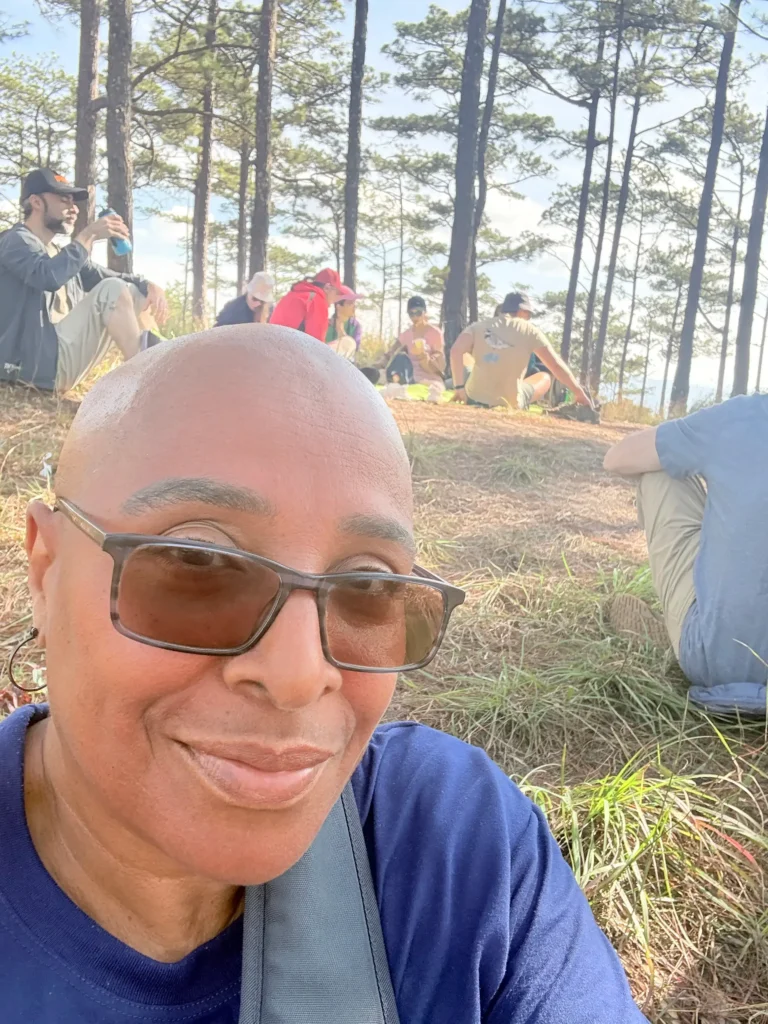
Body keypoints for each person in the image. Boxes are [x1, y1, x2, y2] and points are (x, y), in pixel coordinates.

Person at [0, 326, 647, 1022]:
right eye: (198, 562)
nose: (299, 677)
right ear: (46, 570)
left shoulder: (455, 846)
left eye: (368, 586)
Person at [603, 394, 768, 716]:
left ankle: (676, 631)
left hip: (720, 662)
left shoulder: (743, 416)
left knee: (660, 471)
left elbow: (616, 459)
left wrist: (692, 442)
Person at [0, 168, 168, 394]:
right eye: (64, 199)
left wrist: (148, 285)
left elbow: (106, 276)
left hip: (59, 359)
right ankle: (148, 384)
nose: (74, 208)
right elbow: (47, 276)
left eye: (74, 201)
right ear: (36, 202)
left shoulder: (59, 252)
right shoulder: (14, 241)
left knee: (134, 292)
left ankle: (162, 365)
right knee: (113, 290)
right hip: (30, 368)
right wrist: (88, 235)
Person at [450, 291, 592, 410]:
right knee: (544, 377)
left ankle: (463, 385)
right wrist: (579, 393)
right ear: (522, 311)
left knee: (466, 356)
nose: (528, 318)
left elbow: (456, 351)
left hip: (474, 397)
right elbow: (555, 365)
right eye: (528, 315)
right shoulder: (530, 331)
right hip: (510, 403)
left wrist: (459, 387)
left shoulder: (477, 327)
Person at [380, 296, 446, 389]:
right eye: (411, 313)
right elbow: (390, 353)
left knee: (432, 387)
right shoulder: (406, 334)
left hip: (429, 375)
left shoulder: (435, 333)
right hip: (409, 373)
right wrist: (378, 364)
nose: (415, 317)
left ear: (424, 312)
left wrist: (422, 355)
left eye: (418, 312)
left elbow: (440, 364)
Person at [269, 267, 343, 341]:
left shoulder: (293, 294)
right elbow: (316, 342)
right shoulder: (318, 300)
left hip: (271, 342)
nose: (336, 298)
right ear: (327, 288)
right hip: (288, 345)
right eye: (337, 292)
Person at [326, 292, 363, 360]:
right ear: (339, 307)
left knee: (350, 342)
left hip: (346, 363)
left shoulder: (355, 326)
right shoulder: (326, 324)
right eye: (350, 303)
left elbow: (355, 348)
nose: (354, 306)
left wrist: (341, 332)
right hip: (324, 360)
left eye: (354, 303)